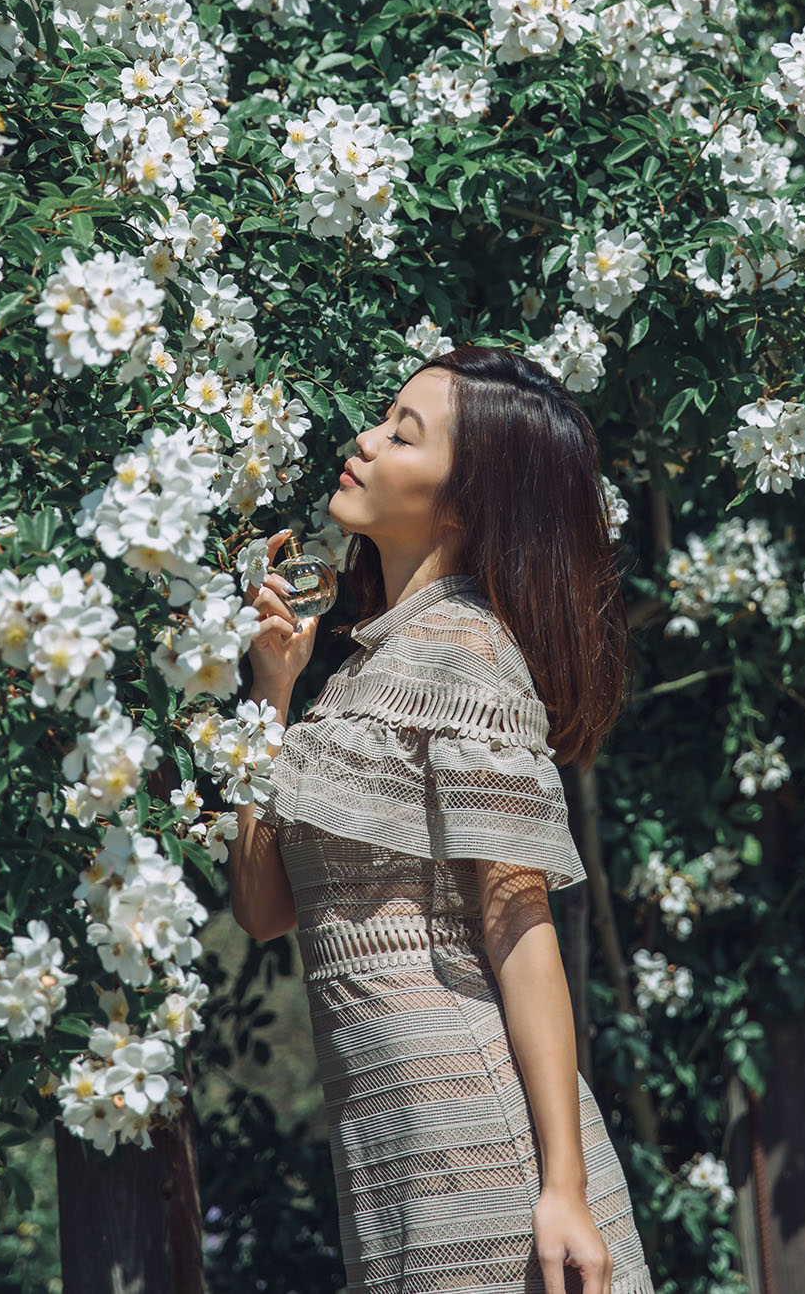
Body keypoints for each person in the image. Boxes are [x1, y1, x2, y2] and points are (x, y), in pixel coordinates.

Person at [230, 343, 653, 1294]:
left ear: (464, 501)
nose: (364, 441)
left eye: (401, 434)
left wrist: (564, 1189)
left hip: (489, 1151)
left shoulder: (464, 655)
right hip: (398, 1155)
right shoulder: (359, 673)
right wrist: (271, 695)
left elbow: (519, 926)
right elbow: (262, 911)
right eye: (382, 420)